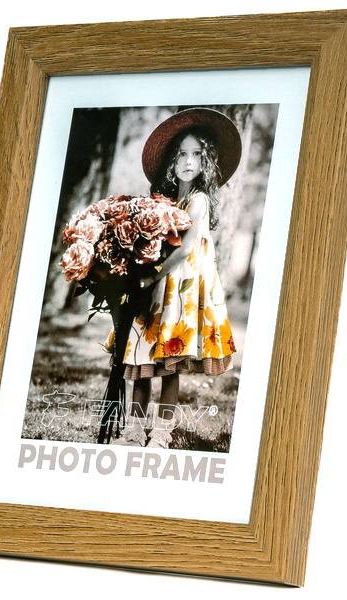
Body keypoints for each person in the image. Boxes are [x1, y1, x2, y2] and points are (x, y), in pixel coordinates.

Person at [111, 107, 242, 448]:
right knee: (141, 359)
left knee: (170, 364)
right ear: (172, 160)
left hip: (177, 289)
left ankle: (161, 434)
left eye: (196, 154)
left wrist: (153, 275)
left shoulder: (198, 201)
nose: (188, 161)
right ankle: (134, 432)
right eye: (182, 154)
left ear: (205, 161)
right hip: (154, 288)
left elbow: (184, 251)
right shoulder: (166, 200)